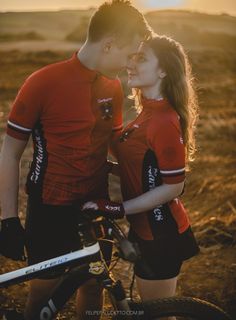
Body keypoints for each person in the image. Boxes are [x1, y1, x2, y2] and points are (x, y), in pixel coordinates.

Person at [0, 1, 152, 319]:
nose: (128, 65)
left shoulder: (111, 88)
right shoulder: (42, 82)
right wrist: (9, 220)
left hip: (94, 205)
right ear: (109, 44)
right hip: (50, 206)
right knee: (43, 289)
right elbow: (10, 152)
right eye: (128, 55)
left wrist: (151, 168)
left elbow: (112, 141)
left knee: (94, 282)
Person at [82, 34, 200, 315]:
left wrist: (118, 207)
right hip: (144, 228)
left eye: (142, 58)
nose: (131, 63)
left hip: (162, 233)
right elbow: (139, 165)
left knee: (156, 314)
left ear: (163, 70)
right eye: (133, 57)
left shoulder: (164, 120)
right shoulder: (146, 111)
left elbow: (173, 187)